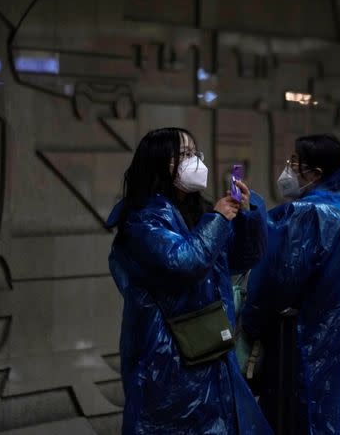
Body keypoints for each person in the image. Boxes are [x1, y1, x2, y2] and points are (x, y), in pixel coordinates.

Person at [106, 127, 272, 435]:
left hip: (209, 344)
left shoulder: (198, 211)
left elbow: (240, 258)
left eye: (195, 153)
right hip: (167, 355)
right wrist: (219, 219)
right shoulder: (143, 218)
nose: (194, 161)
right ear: (159, 162)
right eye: (184, 155)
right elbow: (183, 262)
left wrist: (247, 216)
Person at [240, 134, 340, 435]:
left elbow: (278, 277)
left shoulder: (311, 214)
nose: (287, 170)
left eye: (294, 164)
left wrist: (250, 320)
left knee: (293, 418)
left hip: (298, 340)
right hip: (339, 339)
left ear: (316, 174)